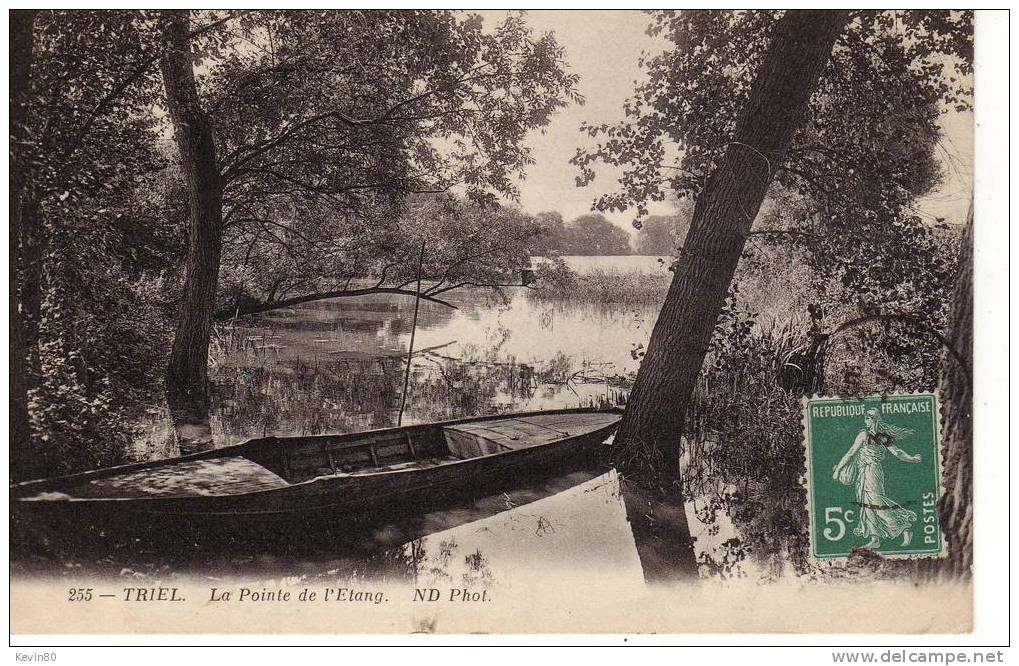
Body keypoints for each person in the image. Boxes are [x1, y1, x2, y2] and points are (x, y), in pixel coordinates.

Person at [832, 407, 921, 549]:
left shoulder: (881, 436)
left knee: (876, 502)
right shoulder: (864, 435)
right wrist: (838, 469)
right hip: (863, 472)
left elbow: (897, 452)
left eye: (870, 418)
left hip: (873, 471)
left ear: (876, 420)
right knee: (866, 503)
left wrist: (912, 459)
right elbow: (850, 453)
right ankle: (875, 539)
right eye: (866, 418)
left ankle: (904, 527)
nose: (867, 420)